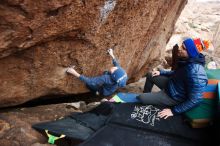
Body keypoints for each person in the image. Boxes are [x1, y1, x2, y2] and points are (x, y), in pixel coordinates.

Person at [137, 38, 210, 119]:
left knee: (141, 98)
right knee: (151, 75)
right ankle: (147, 94)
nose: (179, 49)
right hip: (173, 85)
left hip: (175, 97)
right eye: (181, 46)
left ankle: (147, 97)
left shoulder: (196, 73)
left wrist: (174, 111)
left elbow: (196, 99)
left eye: (183, 48)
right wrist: (161, 72)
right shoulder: (189, 61)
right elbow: (178, 73)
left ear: (191, 52)